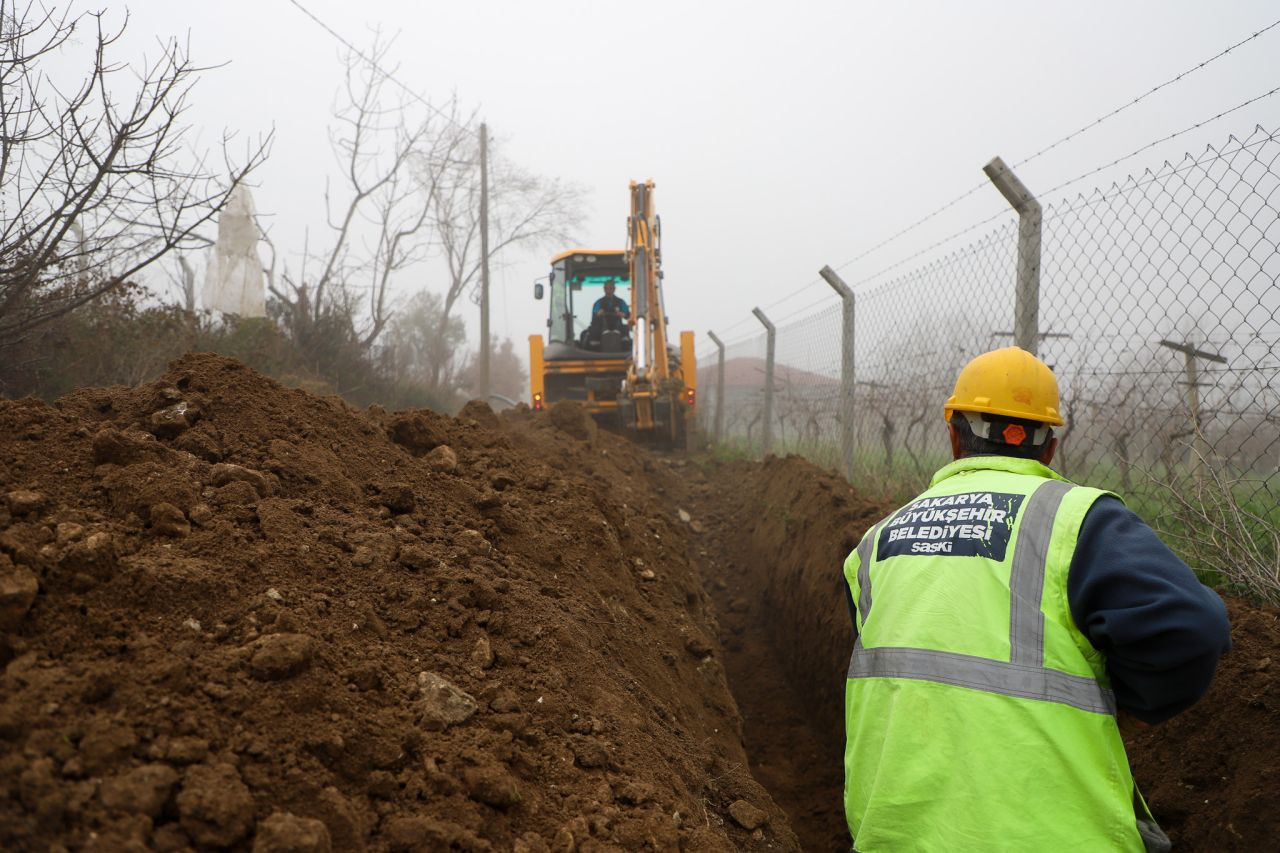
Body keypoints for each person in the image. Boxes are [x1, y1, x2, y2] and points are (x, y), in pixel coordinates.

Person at [841, 346, 1231, 853]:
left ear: (954, 433)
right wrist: (1131, 702)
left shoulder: (874, 544)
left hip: (894, 836)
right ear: (1049, 447)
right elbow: (1192, 626)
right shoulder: (1079, 522)